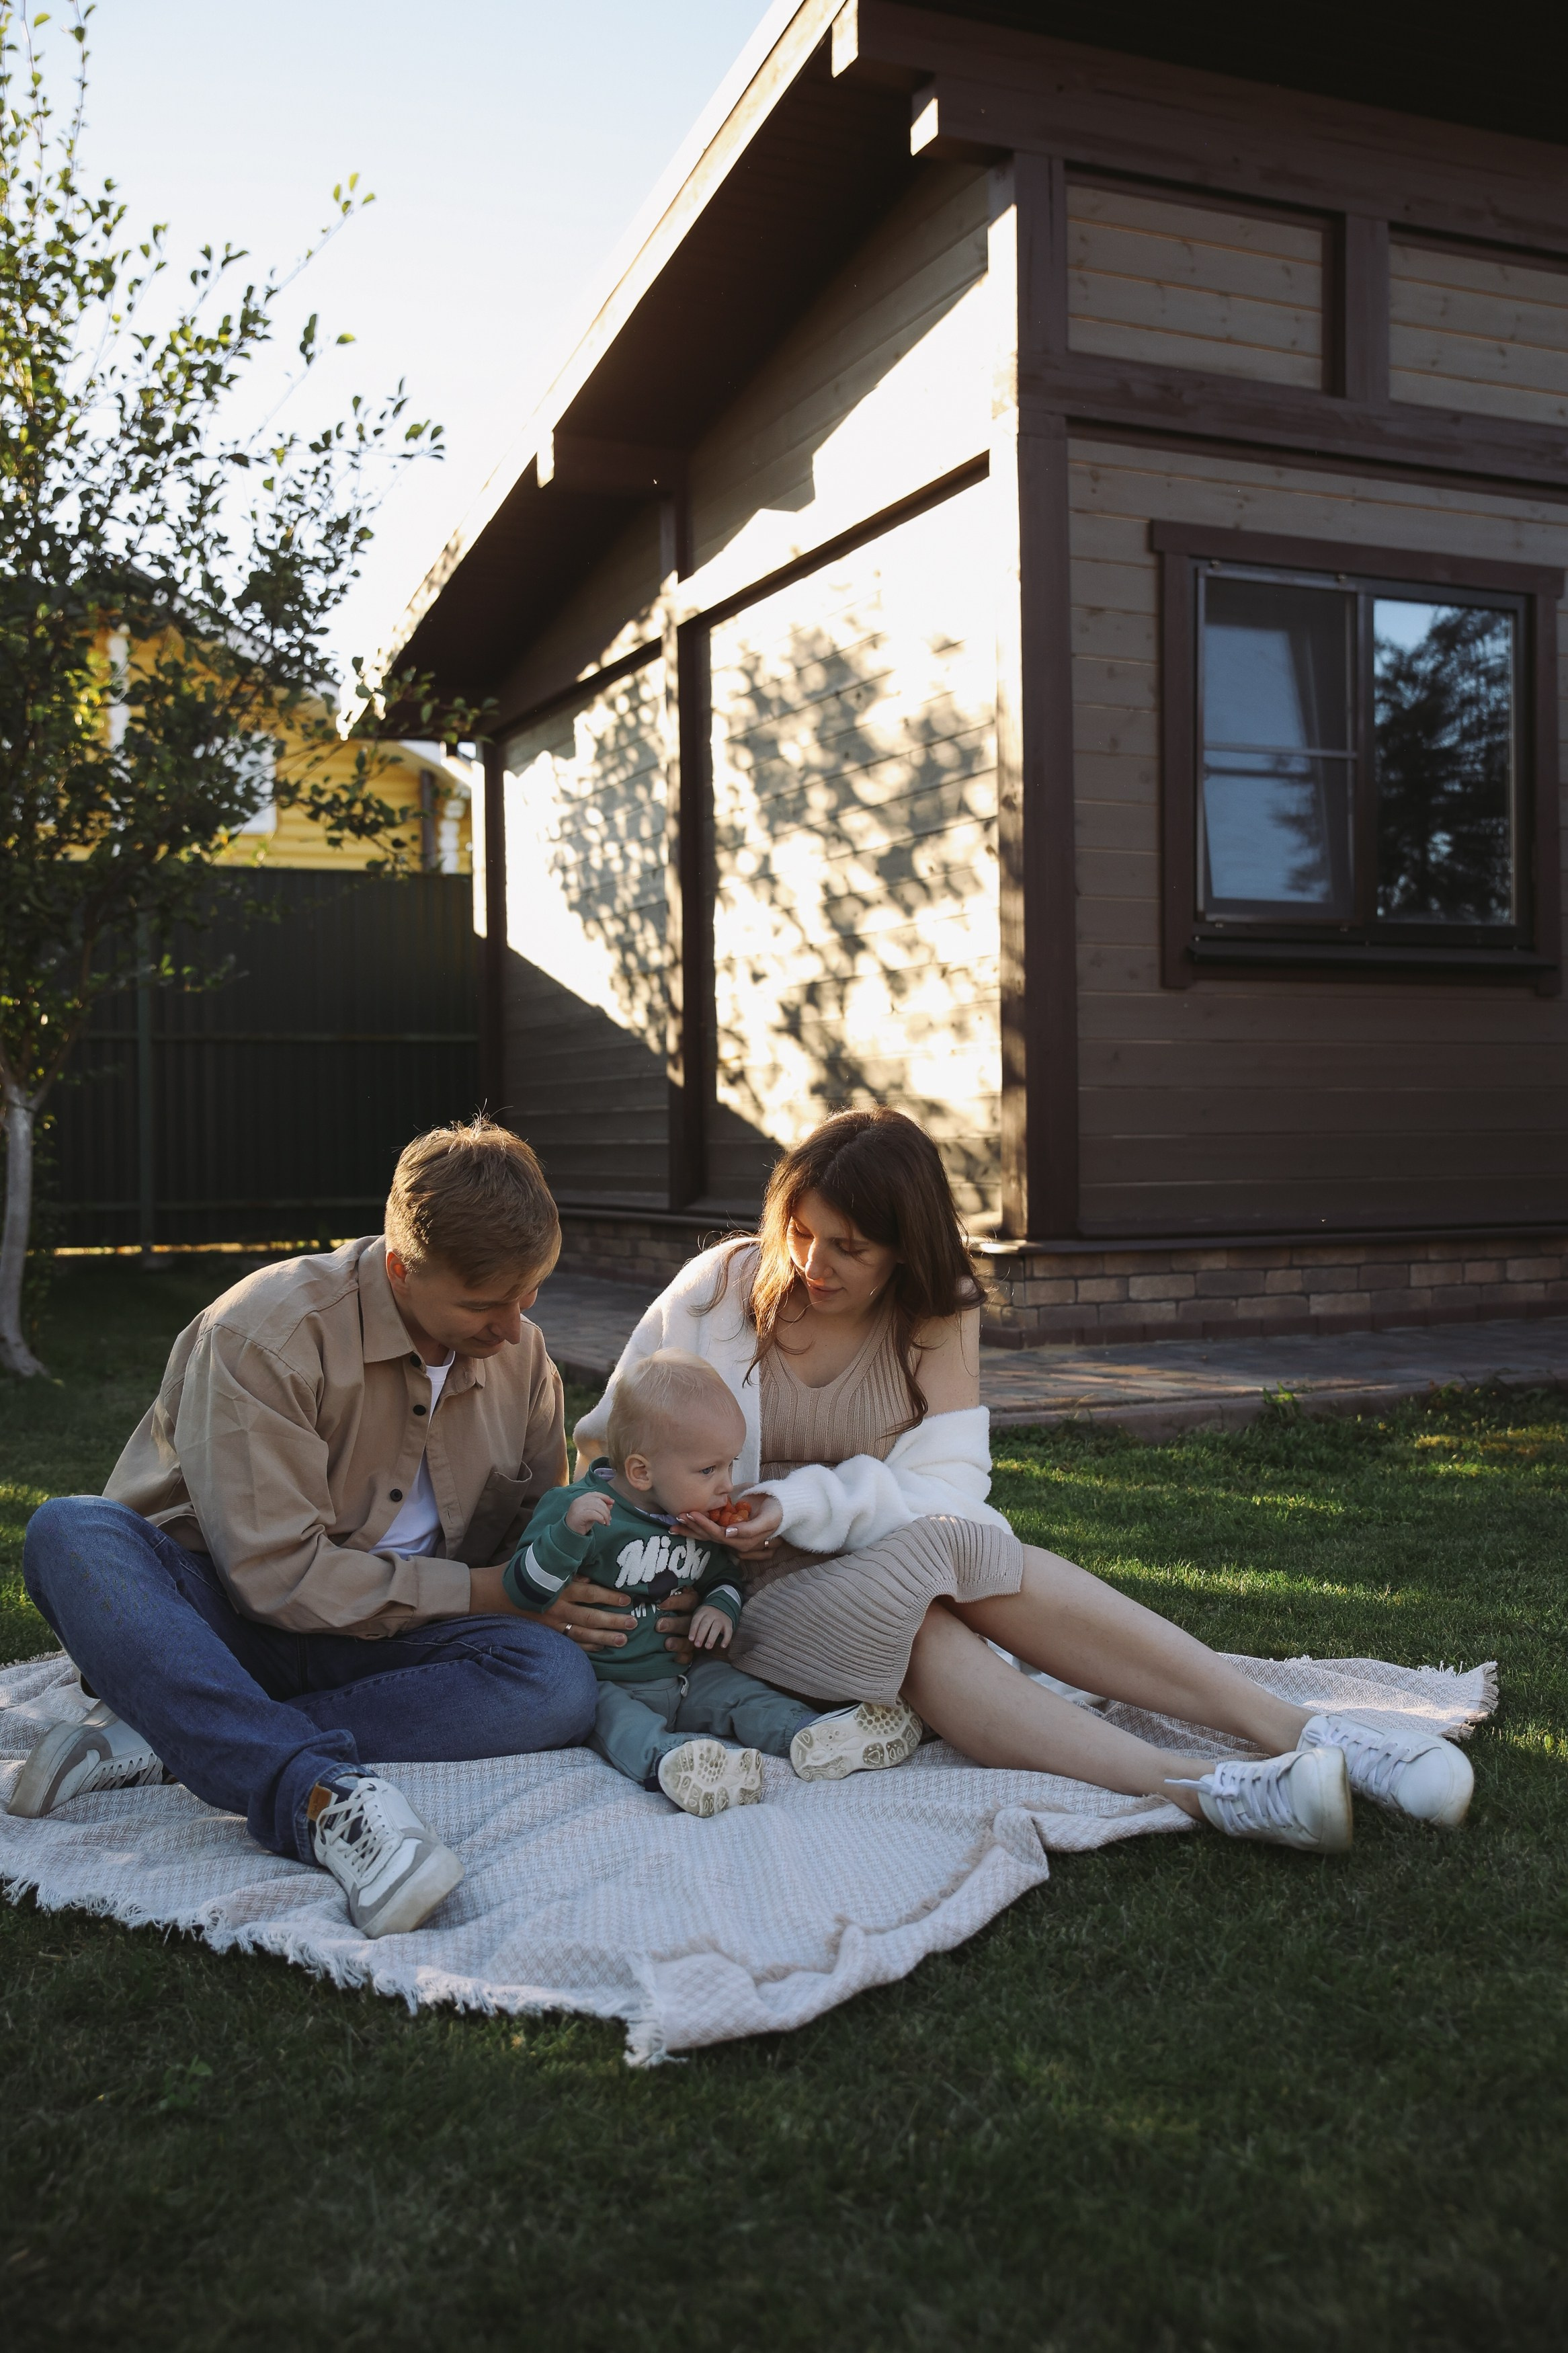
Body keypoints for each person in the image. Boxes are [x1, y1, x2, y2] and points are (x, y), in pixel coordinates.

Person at [573, 1108, 1475, 1853]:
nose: (814, 1266)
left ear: (902, 1246)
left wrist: (803, 1504)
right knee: (921, 1614)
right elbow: (607, 1445)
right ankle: (1210, 1788)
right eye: (801, 1234)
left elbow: (952, 1490)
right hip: (721, 1599)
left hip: (872, 1560)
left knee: (961, 1548)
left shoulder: (937, 1312)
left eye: (848, 1247)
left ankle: (1306, 1737)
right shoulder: (716, 1293)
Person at [9, 1121, 692, 1939]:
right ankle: (317, 1795)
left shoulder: (524, 1357)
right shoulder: (264, 1334)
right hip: (223, 1620)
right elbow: (276, 1578)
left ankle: (180, 1727)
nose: (512, 1329)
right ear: (402, 1269)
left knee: (553, 1682)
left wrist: (614, 1579)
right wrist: (486, 1592)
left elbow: (530, 1541)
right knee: (71, 1532)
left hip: (399, 1635)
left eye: (528, 1294)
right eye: (483, 1302)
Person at [506, 1348, 921, 1816]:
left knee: (737, 1693)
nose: (727, 1485)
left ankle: (812, 1736)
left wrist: (717, 1608)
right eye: (709, 1470)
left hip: (685, 1676)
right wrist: (566, 1535)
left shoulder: (692, 1517)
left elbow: (721, 1577)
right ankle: (673, 1763)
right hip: (609, 1680)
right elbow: (523, 1588)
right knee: (616, 1721)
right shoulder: (579, 1510)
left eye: (729, 1465)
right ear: (641, 1471)